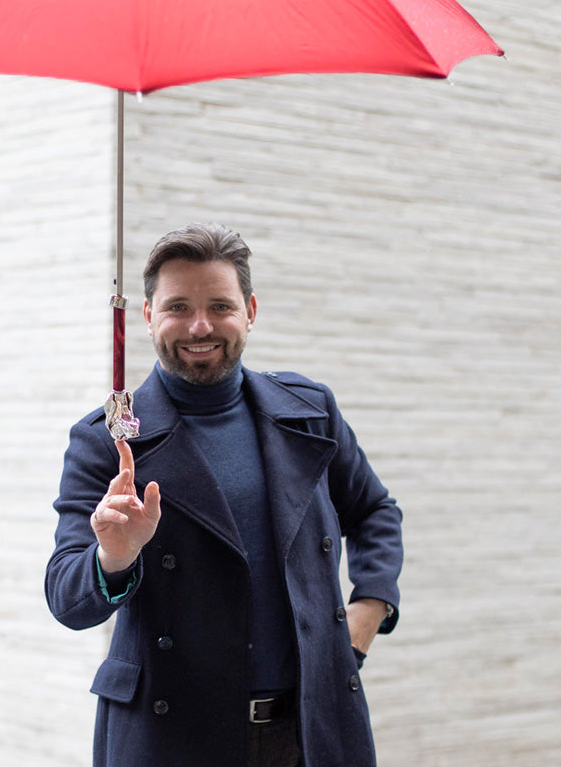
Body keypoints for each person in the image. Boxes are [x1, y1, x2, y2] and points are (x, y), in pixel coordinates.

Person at [45, 223, 403, 767]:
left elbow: (375, 510)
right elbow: (67, 599)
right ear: (146, 317)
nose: (199, 326)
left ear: (250, 311)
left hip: (311, 728)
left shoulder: (309, 411)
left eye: (220, 306)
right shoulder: (109, 440)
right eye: (177, 307)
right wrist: (113, 557)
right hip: (173, 739)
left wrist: (369, 608)